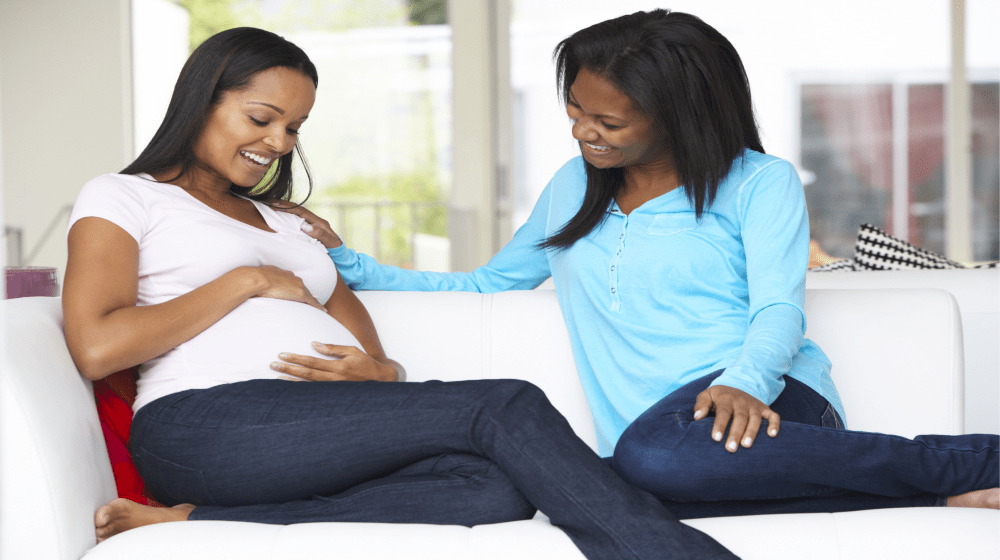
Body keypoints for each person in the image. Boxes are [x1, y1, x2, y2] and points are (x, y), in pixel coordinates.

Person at [285, 9, 999, 518]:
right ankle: (932, 491)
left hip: (765, 410)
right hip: (657, 443)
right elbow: (487, 284)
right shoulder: (575, 186)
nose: (583, 131)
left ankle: (965, 459)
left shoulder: (758, 181)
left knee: (644, 467)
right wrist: (346, 260)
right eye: (575, 110)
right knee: (622, 482)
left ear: (680, 114)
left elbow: (779, 306)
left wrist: (744, 384)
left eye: (609, 122)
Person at [62, 26, 741, 560]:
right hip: (202, 425)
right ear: (202, 100)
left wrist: (379, 371)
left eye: (294, 128)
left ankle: (193, 523)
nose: (278, 143)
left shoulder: (290, 223)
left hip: (315, 429)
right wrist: (246, 282)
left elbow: (372, 356)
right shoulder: (125, 197)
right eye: (262, 118)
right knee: (504, 404)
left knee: (496, 485)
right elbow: (97, 346)